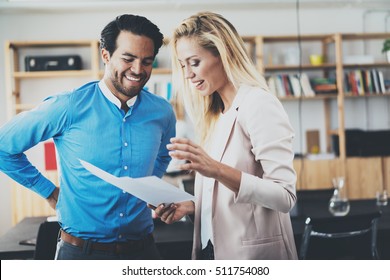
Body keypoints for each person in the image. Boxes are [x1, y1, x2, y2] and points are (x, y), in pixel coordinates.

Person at [0, 14, 176, 260]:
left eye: (147, 61)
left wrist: (149, 190)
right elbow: (3, 148)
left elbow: (164, 154)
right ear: (106, 55)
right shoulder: (68, 106)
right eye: (128, 58)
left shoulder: (163, 112)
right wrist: (48, 191)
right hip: (80, 254)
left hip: (143, 251)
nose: (138, 70)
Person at [154, 11, 297, 260]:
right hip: (213, 252)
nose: (187, 74)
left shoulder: (258, 104)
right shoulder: (215, 116)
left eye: (194, 62)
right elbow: (225, 196)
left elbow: (284, 196)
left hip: (253, 257)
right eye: (182, 65)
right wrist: (192, 207)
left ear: (224, 55)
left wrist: (216, 169)